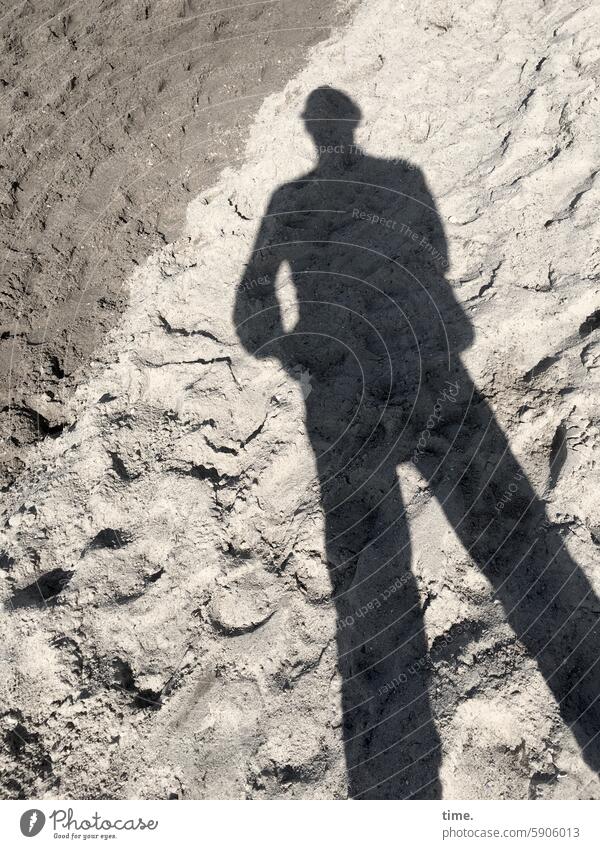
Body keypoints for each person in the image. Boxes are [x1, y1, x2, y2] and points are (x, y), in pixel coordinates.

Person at [234, 87, 600, 798]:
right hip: (431, 358)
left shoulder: (287, 196)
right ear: (353, 125)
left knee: (376, 570)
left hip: (347, 386)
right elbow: (433, 248)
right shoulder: (401, 176)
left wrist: (289, 351)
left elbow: (253, 299)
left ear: (315, 132)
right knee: (517, 538)